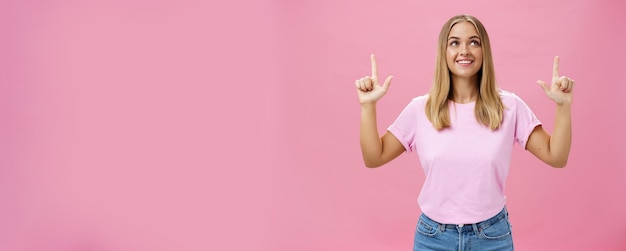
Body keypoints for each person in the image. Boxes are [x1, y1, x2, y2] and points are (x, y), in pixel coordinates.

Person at [355, 14, 574, 251]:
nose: (464, 50)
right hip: (433, 238)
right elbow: (373, 157)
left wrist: (563, 107)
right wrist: (368, 106)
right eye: (454, 42)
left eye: (474, 42)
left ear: (484, 51)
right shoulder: (421, 109)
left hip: (492, 237)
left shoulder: (509, 107)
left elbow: (556, 156)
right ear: (444, 52)